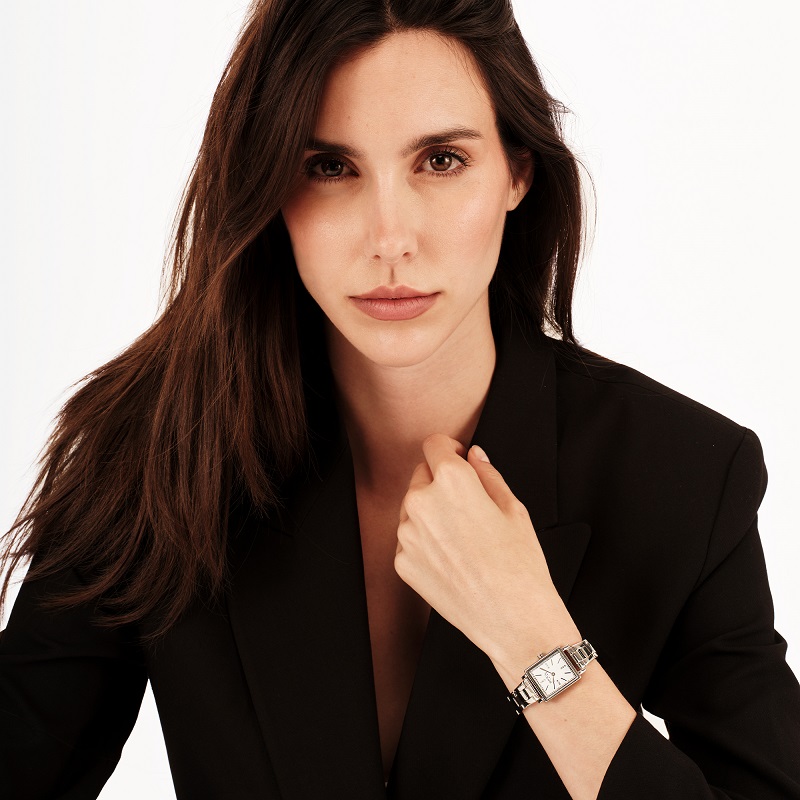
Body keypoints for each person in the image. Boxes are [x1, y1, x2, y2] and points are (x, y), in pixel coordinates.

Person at [1, 0, 799, 798]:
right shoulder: (151, 456)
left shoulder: (684, 476)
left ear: (518, 171)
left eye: (441, 161)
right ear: (268, 186)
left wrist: (532, 639)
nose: (390, 238)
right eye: (330, 167)